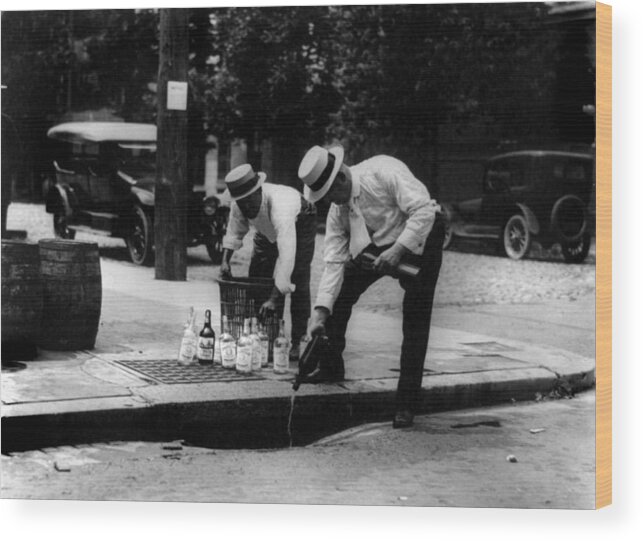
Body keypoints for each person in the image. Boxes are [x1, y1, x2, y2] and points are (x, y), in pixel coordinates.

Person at [298, 145, 444, 428]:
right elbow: (334, 262)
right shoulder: (337, 210)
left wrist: (399, 250)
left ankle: (406, 403)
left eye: (329, 193)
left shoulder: (383, 171)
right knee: (339, 297)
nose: (330, 201)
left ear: (341, 177)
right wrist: (318, 314)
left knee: (415, 318)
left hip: (423, 234)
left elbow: (424, 211)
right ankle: (330, 367)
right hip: (378, 245)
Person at [219, 163, 317, 361]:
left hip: (301, 220)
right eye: (241, 202)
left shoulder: (281, 206)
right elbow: (234, 231)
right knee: (257, 275)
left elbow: (286, 255)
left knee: (297, 279)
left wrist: (273, 298)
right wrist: (225, 261)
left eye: (249, 201)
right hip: (265, 230)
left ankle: (297, 340)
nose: (246, 207)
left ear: (258, 192)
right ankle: (263, 333)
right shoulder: (239, 203)